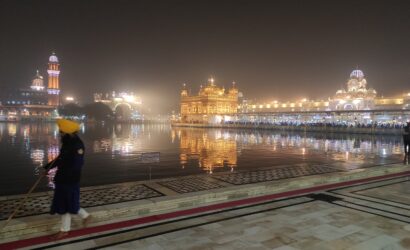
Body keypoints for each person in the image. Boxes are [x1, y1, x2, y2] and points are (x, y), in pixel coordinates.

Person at [44, 119, 91, 240]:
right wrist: (48, 167)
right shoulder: (68, 142)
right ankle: (85, 216)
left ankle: (64, 231)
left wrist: (67, 177)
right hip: (63, 178)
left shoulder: (77, 144)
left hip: (69, 179)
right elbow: (60, 158)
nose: (60, 134)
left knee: (65, 204)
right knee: (68, 203)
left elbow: (77, 164)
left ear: (67, 132)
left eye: (62, 132)